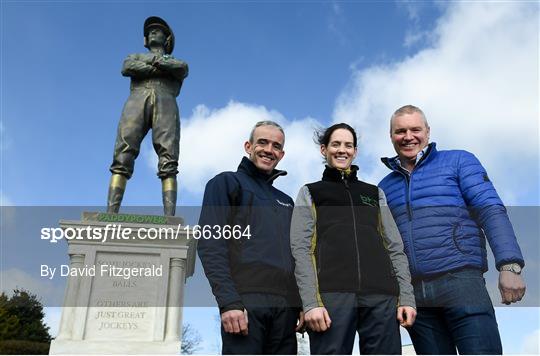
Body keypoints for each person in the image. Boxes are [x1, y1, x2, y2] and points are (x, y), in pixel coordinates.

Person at [379, 105, 526, 354]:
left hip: (461, 282)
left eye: (415, 129)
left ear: (427, 131)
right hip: (416, 298)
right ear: (391, 136)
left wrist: (510, 265)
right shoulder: (384, 186)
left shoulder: (458, 161)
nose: (408, 136)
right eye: (400, 131)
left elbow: (490, 210)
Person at [290, 123, 416, 355]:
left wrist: (406, 297)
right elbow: (301, 249)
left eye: (348, 145)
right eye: (336, 144)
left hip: (381, 296)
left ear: (355, 151)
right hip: (332, 296)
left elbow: (395, 247)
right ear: (323, 149)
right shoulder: (310, 192)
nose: (342, 150)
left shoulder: (373, 194)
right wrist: (311, 303)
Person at [197, 121, 304, 354]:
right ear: (248, 146)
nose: (269, 149)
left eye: (276, 146)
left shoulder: (286, 201)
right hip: (245, 305)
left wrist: (299, 304)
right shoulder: (225, 183)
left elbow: (295, 255)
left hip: (284, 311)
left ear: (282, 154)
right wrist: (229, 303)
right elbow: (210, 244)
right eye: (262, 142)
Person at [107, 16, 189, 216]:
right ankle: (110, 213)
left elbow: (181, 68)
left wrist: (148, 66)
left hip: (166, 100)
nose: (152, 32)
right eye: (150, 31)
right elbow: (127, 67)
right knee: (124, 150)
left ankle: (169, 216)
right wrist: (159, 64)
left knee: (169, 156)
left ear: (167, 38)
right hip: (137, 98)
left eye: (158, 30)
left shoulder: (176, 62)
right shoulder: (134, 56)